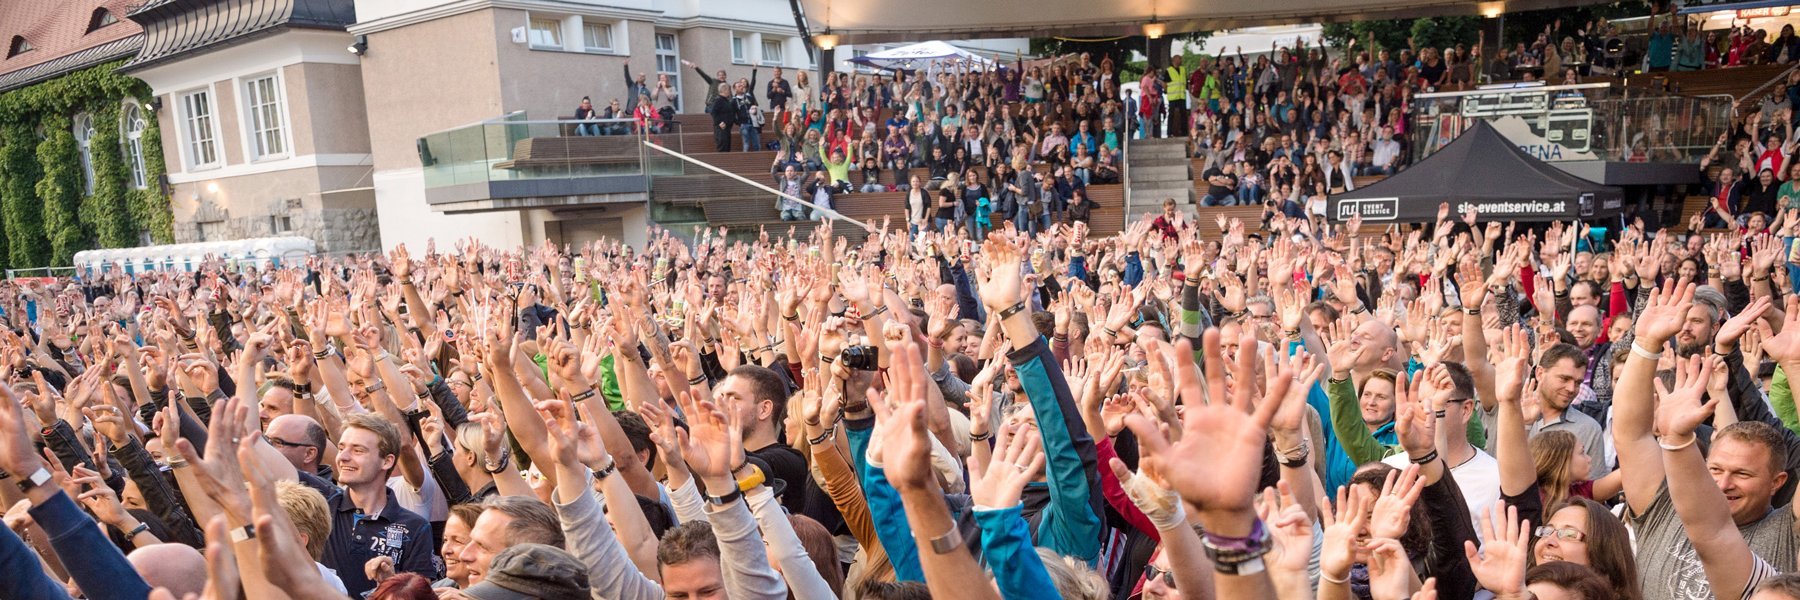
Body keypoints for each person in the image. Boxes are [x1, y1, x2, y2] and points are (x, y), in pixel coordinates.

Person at [711, 83, 737, 152]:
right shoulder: (718, 100)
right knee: (722, 146)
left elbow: (730, 113)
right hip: (721, 128)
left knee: (727, 147)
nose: (730, 92)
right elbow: (713, 112)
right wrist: (720, 122)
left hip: (727, 128)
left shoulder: (726, 100)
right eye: (729, 90)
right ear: (725, 90)